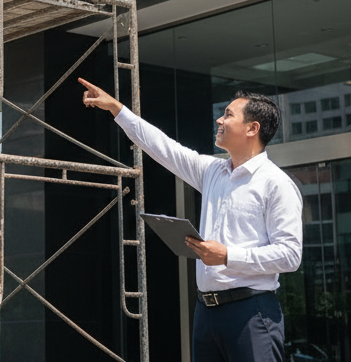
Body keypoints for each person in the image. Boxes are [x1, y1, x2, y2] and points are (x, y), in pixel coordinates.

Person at [78, 78, 303, 362]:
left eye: (228, 115)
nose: (219, 120)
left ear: (252, 128)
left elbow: (290, 256)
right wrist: (116, 109)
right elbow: (163, 147)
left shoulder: (275, 184)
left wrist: (227, 256)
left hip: (251, 312)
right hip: (206, 313)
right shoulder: (213, 171)